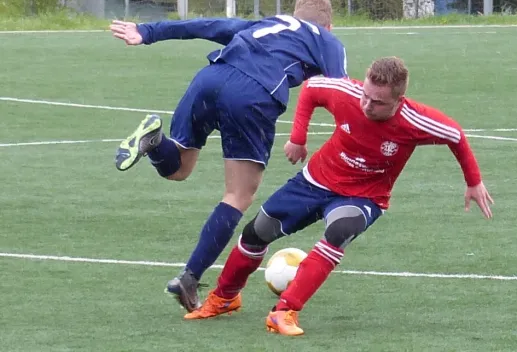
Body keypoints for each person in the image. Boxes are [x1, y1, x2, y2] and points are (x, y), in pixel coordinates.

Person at [183, 56, 494, 336]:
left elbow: (455, 135)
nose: (367, 105)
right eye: (366, 95)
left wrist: (474, 182)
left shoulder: (415, 120)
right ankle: (224, 298)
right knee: (256, 233)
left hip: (363, 197)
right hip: (314, 180)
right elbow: (311, 88)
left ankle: (284, 311)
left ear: (399, 100)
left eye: (378, 103)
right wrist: (298, 138)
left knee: (340, 230)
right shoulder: (346, 93)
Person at [109, 0, 348, 312]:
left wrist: (148, 31)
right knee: (238, 194)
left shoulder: (267, 24)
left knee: (178, 167)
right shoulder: (327, 41)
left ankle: (154, 141)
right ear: (329, 25)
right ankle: (189, 277)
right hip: (253, 93)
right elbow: (342, 94)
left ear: (294, 15)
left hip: (210, 78)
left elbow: (207, 25)